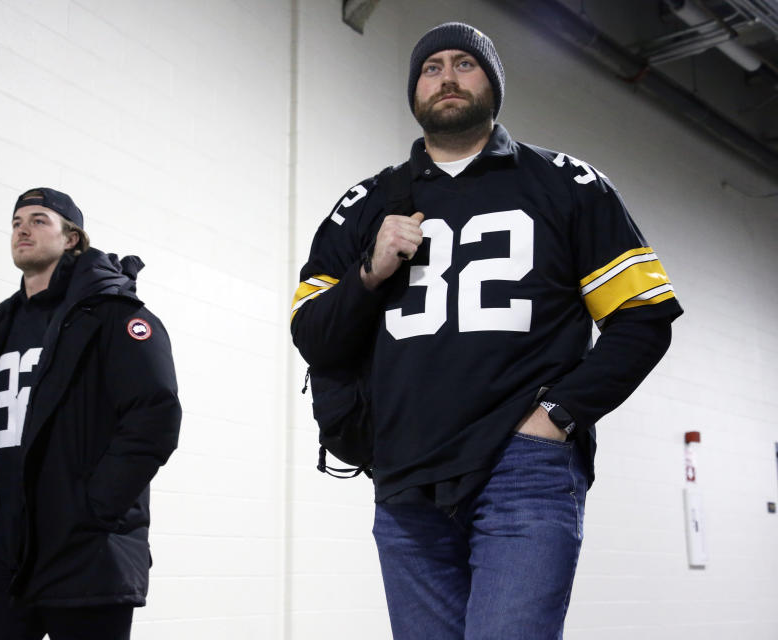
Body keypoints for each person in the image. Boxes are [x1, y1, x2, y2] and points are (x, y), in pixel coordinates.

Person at [290, 22, 682, 640]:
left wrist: (558, 415)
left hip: (523, 467)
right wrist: (368, 272)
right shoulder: (367, 203)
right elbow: (312, 336)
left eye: (464, 64)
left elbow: (645, 317)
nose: (446, 76)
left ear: (494, 83)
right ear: (415, 90)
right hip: (404, 477)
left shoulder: (566, 184)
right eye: (431, 67)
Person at [0, 187, 182, 640]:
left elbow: (155, 416)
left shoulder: (114, 316)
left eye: (38, 219)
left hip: (86, 551)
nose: (22, 229)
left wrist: (93, 506)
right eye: (16, 222)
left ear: (72, 239)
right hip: (4, 552)